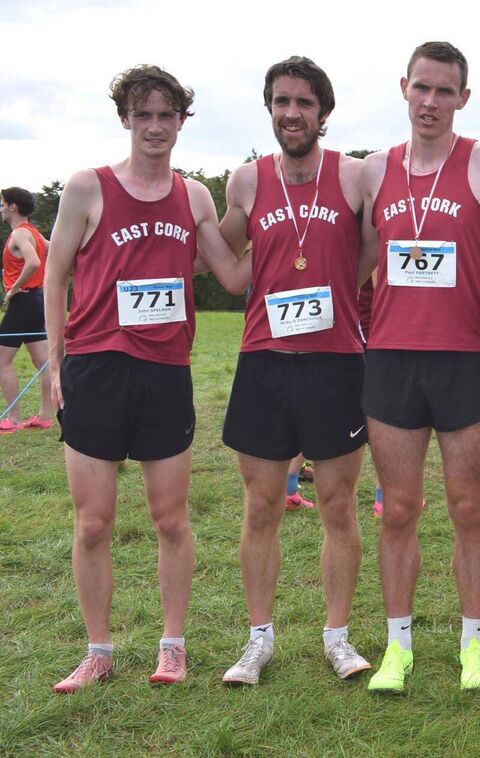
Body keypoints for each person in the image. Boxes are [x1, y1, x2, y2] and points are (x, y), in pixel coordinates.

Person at [43, 65, 248, 692]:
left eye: (166, 115)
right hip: (98, 369)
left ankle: (173, 646)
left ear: (182, 121)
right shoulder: (87, 187)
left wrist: (291, 227)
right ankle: (98, 650)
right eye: (143, 114)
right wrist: (55, 362)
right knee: (93, 520)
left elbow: (233, 277)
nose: (155, 126)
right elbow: (54, 277)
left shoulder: (195, 197)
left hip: (165, 372)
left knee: (170, 518)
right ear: (126, 119)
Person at [358, 41, 480, 693]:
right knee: (398, 508)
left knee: (466, 506)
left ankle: (473, 645)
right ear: (403, 88)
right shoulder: (372, 170)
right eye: (421, 88)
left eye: (444, 91)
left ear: (463, 98)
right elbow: (350, 257)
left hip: (464, 358)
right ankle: (398, 648)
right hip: (392, 358)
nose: (430, 101)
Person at [217, 57, 371, 685]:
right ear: (270, 109)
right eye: (281, 102)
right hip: (264, 363)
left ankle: (337, 637)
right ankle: (258, 640)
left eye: (304, 103)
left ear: (323, 112)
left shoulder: (356, 176)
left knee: (338, 505)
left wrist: (335, 293)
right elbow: (221, 250)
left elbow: (372, 251)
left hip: (337, 363)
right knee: (261, 507)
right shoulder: (247, 181)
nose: (292, 113)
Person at [1, 187, 53, 431]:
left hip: (24, 300)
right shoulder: (33, 232)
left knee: (2, 360)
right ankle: (44, 415)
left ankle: (12, 419)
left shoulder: (20, 234)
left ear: (13, 207)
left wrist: (13, 288)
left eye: (2, 204)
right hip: (37, 300)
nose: (0, 208)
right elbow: (52, 248)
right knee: (43, 361)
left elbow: (34, 262)